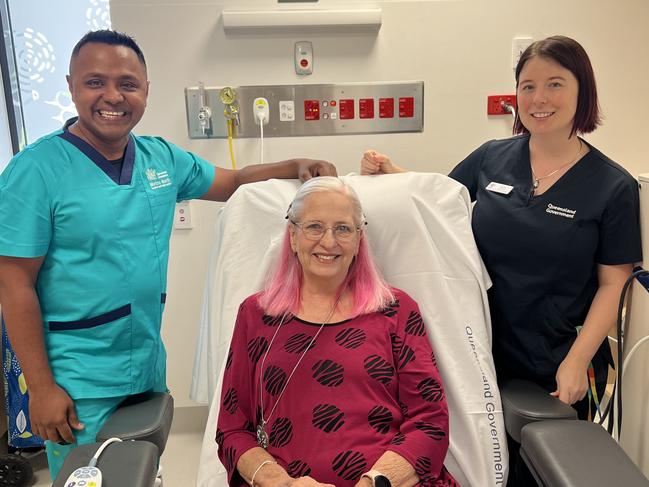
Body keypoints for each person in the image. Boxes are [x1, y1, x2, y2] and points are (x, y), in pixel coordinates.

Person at [0, 30, 336, 480]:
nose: (113, 96)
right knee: (93, 477)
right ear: (71, 86)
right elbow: (13, 284)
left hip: (145, 368)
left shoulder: (160, 158)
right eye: (95, 82)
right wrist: (39, 388)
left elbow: (232, 181)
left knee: (140, 473)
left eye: (128, 83)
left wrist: (294, 165)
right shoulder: (35, 171)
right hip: (76, 379)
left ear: (145, 89)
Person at [360, 35, 641, 484]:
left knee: (532, 472)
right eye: (527, 86)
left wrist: (575, 361)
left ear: (582, 92)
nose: (538, 98)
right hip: (475, 344)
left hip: (550, 359)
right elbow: (439, 201)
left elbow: (614, 285)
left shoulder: (613, 187)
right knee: (474, 466)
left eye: (555, 84)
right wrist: (393, 174)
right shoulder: (494, 156)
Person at [216, 177, 458, 487]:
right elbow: (233, 430)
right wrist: (282, 483)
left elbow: (430, 422)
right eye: (314, 227)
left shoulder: (396, 310)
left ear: (359, 239)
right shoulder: (256, 314)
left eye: (343, 228)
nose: (329, 242)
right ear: (292, 235)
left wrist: (374, 483)